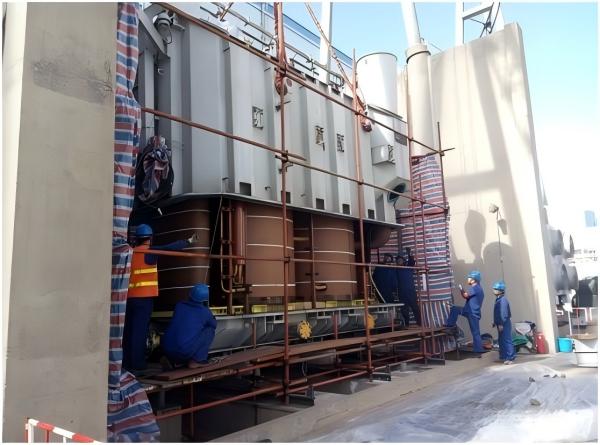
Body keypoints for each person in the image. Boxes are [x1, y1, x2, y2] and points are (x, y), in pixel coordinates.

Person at [123, 223, 200, 372]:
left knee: (129, 331)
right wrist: (188, 241)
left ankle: (126, 363)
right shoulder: (150, 252)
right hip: (144, 299)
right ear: (150, 238)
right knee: (139, 331)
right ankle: (138, 365)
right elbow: (170, 248)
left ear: (136, 238)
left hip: (129, 298)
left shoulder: (130, 253)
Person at [161, 284, 217, 368]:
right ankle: (197, 360)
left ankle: (172, 361)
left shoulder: (179, 305)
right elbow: (214, 325)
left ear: (190, 294)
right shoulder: (205, 312)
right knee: (210, 330)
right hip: (183, 351)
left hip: (166, 348)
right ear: (205, 299)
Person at [444, 270, 485, 353]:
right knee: (455, 309)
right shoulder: (478, 288)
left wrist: (461, 288)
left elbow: (465, 295)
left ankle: (478, 350)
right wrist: (462, 290)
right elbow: (467, 297)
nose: (468, 279)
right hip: (469, 311)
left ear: (473, 280)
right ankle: (449, 325)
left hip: (472, 312)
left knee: (475, 332)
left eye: (469, 277)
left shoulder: (475, 288)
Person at [492, 280, 515, 364]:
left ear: (500, 290)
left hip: (504, 323)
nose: (493, 290)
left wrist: (501, 323)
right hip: (500, 323)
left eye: (495, 289)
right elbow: (498, 313)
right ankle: (503, 357)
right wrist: (495, 322)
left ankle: (510, 358)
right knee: (501, 340)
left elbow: (504, 313)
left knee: (506, 340)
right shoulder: (498, 299)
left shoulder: (503, 300)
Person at [396, 251, 421, 326]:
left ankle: (420, 323)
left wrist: (409, 253)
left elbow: (412, 262)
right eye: (398, 260)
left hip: (411, 292)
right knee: (404, 309)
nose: (399, 261)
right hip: (402, 293)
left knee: (415, 308)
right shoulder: (396, 270)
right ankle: (406, 324)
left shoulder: (408, 267)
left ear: (403, 261)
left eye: (400, 260)